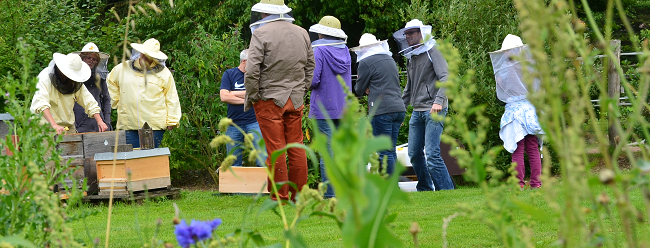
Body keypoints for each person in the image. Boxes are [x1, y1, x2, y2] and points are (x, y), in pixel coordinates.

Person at [244, 0, 315, 201]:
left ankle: (279, 196)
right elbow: (311, 65)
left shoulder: (261, 33)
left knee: (276, 149)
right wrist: (302, 90)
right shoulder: (302, 32)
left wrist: (254, 95)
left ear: (264, 12)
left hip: (269, 99)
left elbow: (252, 70)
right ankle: (299, 195)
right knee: (296, 146)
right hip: (296, 99)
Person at [393, 19, 454, 191]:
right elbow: (409, 87)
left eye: (411, 33)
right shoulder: (411, 56)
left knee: (432, 155)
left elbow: (446, 78)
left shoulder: (433, 51)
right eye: (406, 33)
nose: (408, 36)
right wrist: (400, 110)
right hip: (417, 111)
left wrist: (438, 102)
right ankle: (426, 188)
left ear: (421, 33)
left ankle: (447, 191)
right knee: (413, 153)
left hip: (435, 109)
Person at [489, 34, 543, 189]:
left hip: (515, 112)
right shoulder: (528, 65)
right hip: (530, 110)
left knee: (517, 149)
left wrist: (500, 80)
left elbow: (504, 87)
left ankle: (518, 183)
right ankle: (536, 183)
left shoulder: (506, 67)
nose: (505, 53)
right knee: (532, 147)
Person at [107, 38, 182, 148]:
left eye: (149, 57)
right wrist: (117, 101)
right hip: (129, 125)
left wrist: (172, 120)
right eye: (144, 55)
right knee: (132, 161)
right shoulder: (123, 68)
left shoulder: (164, 73)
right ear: (141, 53)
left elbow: (171, 96)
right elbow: (110, 81)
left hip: (154, 126)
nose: (145, 58)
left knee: (150, 161)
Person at [308, 16, 351, 198]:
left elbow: (313, 79)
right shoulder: (346, 50)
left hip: (324, 107)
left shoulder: (319, 50)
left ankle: (330, 194)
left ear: (321, 32)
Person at [352, 33, 406, 176]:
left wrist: (367, 86)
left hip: (382, 109)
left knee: (383, 151)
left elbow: (358, 89)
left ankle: (390, 188)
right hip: (398, 108)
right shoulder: (389, 58)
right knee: (391, 149)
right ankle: (394, 186)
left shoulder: (366, 62)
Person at [30, 53, 108, 135]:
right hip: (44, 126)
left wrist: (100, 121)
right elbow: (41, 103)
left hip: (67, 127)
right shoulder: (45, 77)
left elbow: (88, 100)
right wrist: (54, 125)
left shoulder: (74, 82)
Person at [219, 49, 267, 167]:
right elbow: (224, 97)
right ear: (244, 61)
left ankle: (265, 185)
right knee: (233, 162)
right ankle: (236, 186)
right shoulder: (229, 74)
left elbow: (259, 95)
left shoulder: (256, 76)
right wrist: (248, 99)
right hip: (233, 124)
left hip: (255, 122)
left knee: (262, 160)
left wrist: (233, 93)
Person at [72, 42, 113, 133]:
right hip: (78, 123)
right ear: (82, 59)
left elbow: (107, 99)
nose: (91, 61)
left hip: (98, 122)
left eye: (94, 59)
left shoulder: (100, 79)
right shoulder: (73, 76)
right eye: (88, 58)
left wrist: (107, 121)